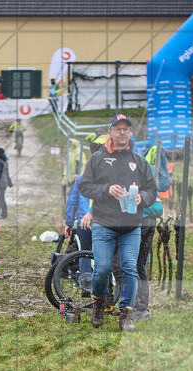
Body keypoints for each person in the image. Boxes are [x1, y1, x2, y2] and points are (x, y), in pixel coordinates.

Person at [78, 113, 156, 331]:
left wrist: (144, 198)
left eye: (126, 129)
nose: (122, 132)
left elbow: (152, 188)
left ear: (130, 133)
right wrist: (105, 190)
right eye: (118, 129)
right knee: (102, 269)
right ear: (110, 132)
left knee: (129, 267)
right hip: (104, 223)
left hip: (130, 226)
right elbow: (84, 186)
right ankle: (99, 302)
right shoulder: (97, 159)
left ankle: (126, 313)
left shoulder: (139, 161)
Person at [0, 147, 12, 219]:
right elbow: (7, 173)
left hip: (0, 183)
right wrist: (9, 182)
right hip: (4, 182)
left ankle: (4, 214)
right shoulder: (5, 161)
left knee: (0, 198)